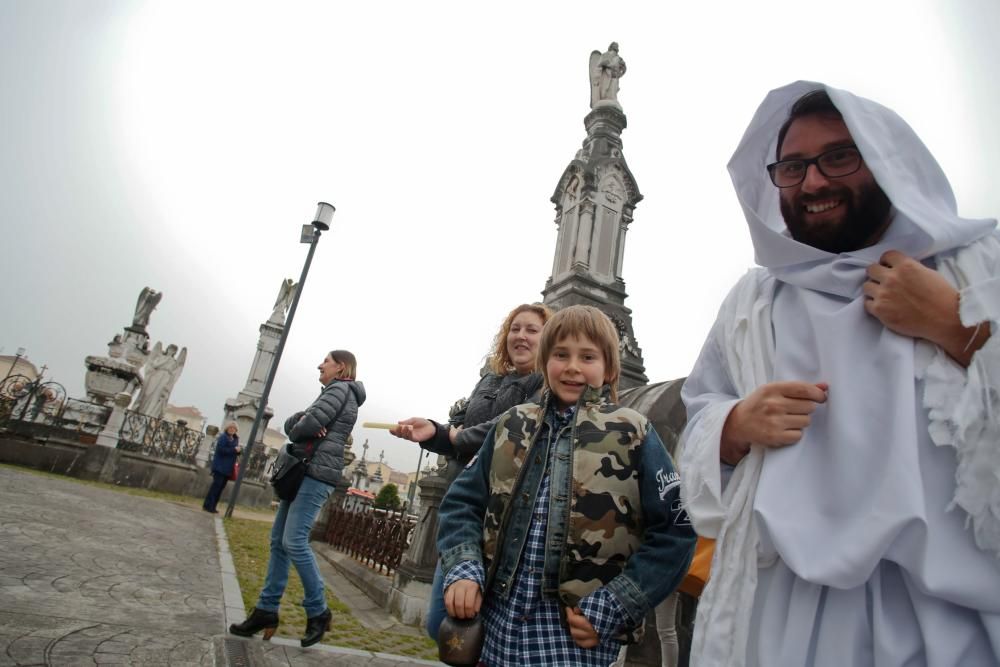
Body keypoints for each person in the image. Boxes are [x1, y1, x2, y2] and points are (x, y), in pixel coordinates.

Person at [679, 82, 1000, 666]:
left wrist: (959, 328)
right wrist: (735, 425)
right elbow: (700, 413)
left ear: (883, 161)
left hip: (955, 621)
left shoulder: (979, 264)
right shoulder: (753, 304)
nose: (815, 182)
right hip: (784, 621)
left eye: (838, 157)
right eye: (794, 167)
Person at [438, 305, 697, 666]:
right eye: (561, 354)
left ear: (609, 368)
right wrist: (463, 568)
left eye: (587, 356)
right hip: (495, 632)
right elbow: (461, 503)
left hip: (573, 641)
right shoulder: (511, 426)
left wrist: (616, 605)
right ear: (545, 362)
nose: (573, 366)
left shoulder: (633, 432)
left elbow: (675, 531)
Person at [390, 302, 552, 640]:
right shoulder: (491, 379)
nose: (520, 336)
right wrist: (434, 431)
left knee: (474, 628)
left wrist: (453, 435)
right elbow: (465, 432)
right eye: (515, 328)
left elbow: (510, 426)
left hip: (504, 517)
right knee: (442, 624)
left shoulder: (548, 385)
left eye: (532, 330)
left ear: (548, 337)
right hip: (464, 507)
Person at [229, 350, 365, 648]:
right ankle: (267, 610)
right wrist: (300, 422)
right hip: (305, 471)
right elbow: (298, 424)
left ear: (340, 367)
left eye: (325, 361)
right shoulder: (333, 391)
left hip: (316, 473)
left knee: (293, 540)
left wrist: (302, 422)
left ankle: (318, 610)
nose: (319, 365)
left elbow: (303, 427)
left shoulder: (340, 390)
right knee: (278, 540)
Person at [202, 421, 241, 514]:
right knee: (215, 487)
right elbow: (221, 450)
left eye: (234, 428)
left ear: (236, 430)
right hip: (220, 467)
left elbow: (235, 452)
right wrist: (234, 450)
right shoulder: (223, 437)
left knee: (220, 488)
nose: (232, 430)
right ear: (227, 428)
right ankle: (208, 505)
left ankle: (213, 506)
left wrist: (238, 451)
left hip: (228, 468)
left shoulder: (235, 439)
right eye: (230, 428)